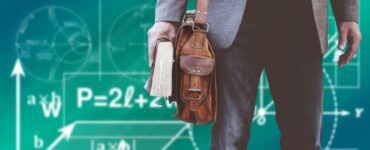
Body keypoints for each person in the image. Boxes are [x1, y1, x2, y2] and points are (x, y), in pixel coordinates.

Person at [147, 0, 362, 149]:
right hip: (233, 25)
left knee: (304, 138)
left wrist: (347, 13)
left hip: (302, 21)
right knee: (230, 138)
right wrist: (167, 16)